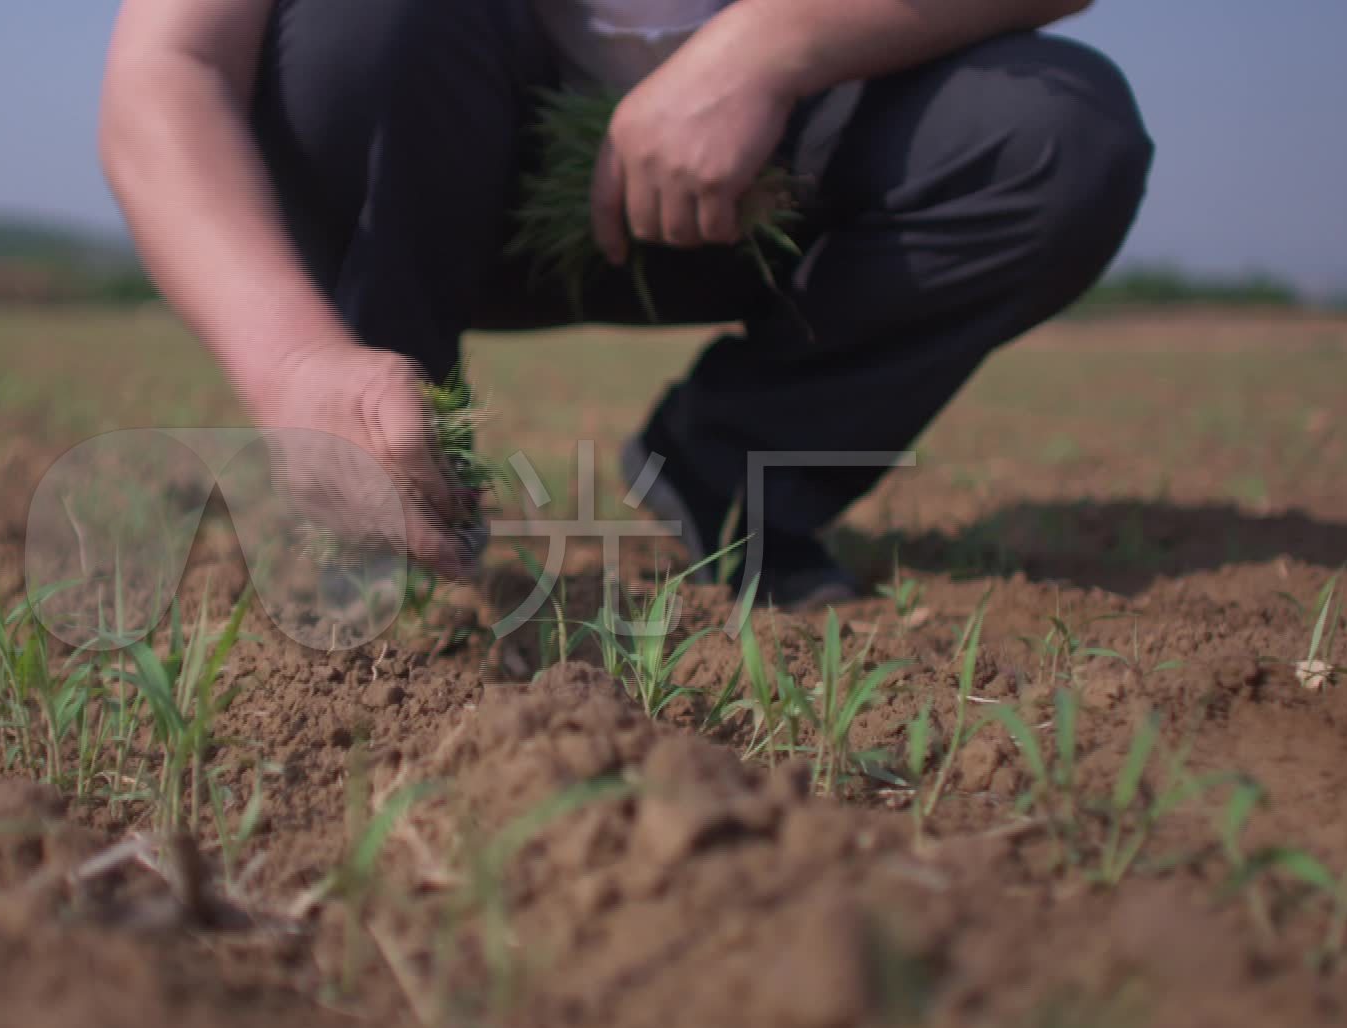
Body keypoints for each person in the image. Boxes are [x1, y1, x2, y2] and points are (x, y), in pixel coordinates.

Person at [99, 0, 1152, 612]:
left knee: (1057, 138)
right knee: (359, 22)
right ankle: (385, 490)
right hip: (442, 165)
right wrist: (293, 362)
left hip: (768, 177)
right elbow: (168, 68)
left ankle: (728, 477)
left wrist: (764, 52)